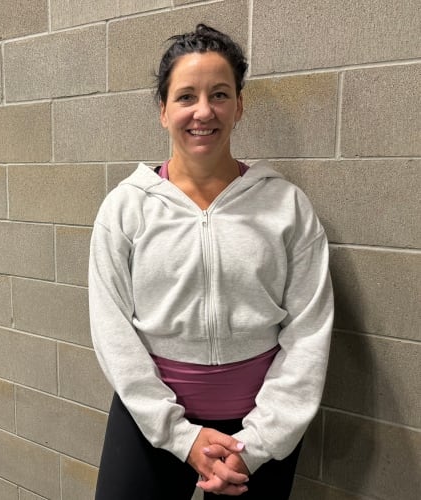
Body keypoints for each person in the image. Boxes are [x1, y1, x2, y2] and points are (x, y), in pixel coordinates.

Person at [89, 24, 333, 500]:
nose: (204, 111)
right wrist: (180, 436)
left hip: (259, 425)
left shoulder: (286, 206)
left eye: (219, 94)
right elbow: (112, 329)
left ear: (239, 105)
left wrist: (257, 443)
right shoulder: (126, 208)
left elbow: (309, 331)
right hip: (152, 420)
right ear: (163, 110)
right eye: (186, 97)